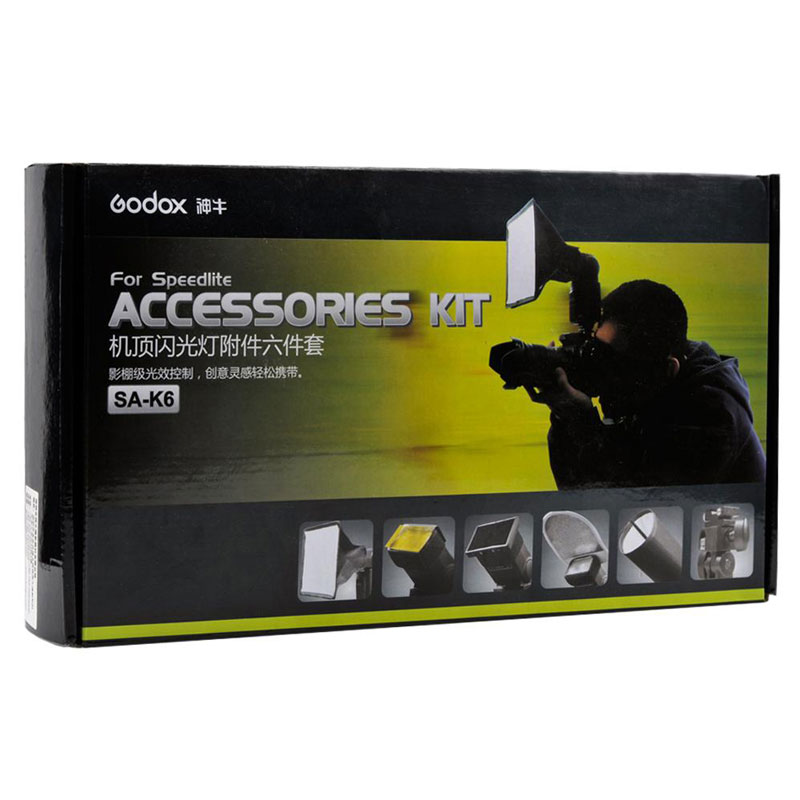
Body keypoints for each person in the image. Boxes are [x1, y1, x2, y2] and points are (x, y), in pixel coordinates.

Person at [528, 279, 766, 489]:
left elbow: (621, 505)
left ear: (667, 369)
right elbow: (576, 493)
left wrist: (578, 420)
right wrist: (563, 416)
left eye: (615, 361)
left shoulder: (711, 421)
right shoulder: (649, 385)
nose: (602, 368)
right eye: (597, 351)